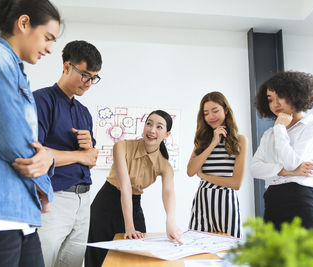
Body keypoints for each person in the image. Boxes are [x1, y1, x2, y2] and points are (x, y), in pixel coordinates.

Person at [0, 0, 60, 266]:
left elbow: (34, 147)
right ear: (23, 23)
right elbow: (16, 141)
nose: (50, 49)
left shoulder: (14, 68)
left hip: (20, 215)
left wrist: (49, 158)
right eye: (48, 37)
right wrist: (46, 187)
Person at [33, 40, 101, 267]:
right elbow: (35, 154)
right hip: (54, 197)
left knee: (72, 264)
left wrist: (88, 150)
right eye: (85, 75)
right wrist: (81, 155)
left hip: (83, 201)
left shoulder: (84, 113)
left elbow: (90, 160)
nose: (89, 83)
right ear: (66, 66)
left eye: (94, 78)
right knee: (43, 261)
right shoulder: (41, 100)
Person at [85, 110, 182, 267]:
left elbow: (169, 192)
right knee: (99, 259)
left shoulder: (165, 165)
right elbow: (125, 188)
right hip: (106, 205)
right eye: (149, 124)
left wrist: (170, 220)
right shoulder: (121, 146)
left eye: (159, 127)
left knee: (136, 259)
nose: (152, 130)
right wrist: (128, 226)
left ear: (167, 134)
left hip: (134, 204)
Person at [250, 71, 313, 240]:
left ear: (296, 94)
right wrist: (286, 172)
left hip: (301, 203)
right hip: (272, 204)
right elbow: (254, 170)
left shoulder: (312, 126)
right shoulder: (268, 135)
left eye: (281, 96)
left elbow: (292, 162)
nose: (275, 103)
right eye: (270, 99)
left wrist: (279, 129)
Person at [187, 91, 247, 238]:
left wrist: (204, 176)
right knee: (198, 248)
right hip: (202, 202)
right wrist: (213, 143)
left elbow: (235, 183)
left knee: (228, 253)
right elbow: (190, 171)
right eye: (206, 113)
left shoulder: (240, 140)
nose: (211, 117)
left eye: (215, 111)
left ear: (225, 110)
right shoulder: (202, 141)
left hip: (226, 203)